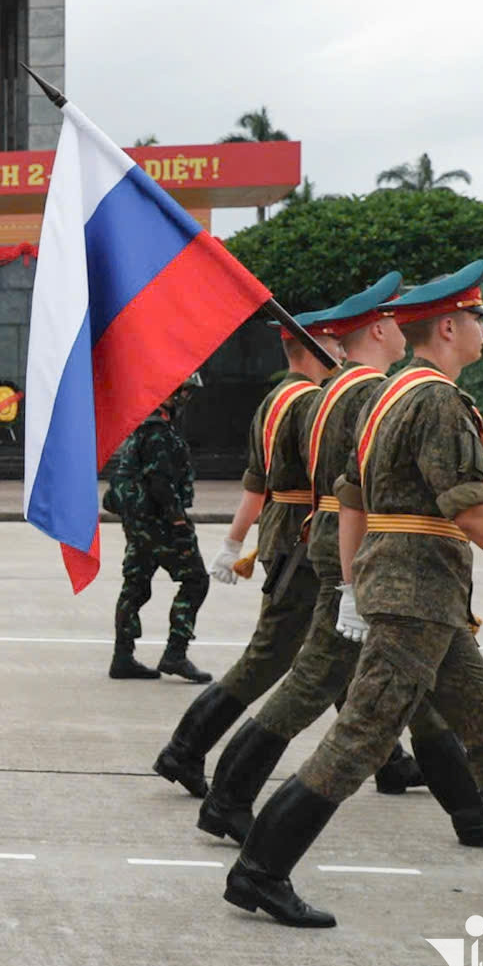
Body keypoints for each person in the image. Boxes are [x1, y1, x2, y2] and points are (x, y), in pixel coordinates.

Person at [227, 262, 483, 930]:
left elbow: (351, 497)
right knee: (362, 736)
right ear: (448, 327)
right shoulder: (438, 401)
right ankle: (259, 870)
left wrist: (354, 585)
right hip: (416, 596)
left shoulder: (388, 394)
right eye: (476, 318)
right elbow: (470, 508)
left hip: (420, 596)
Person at [198, 275, 483, 847]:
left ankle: (474, 811)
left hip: (342, 541)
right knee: (316, 682)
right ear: (377, 330)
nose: (401, 328)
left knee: (416, 686)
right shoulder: (365, 392)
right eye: (391, 320)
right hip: (361, 547)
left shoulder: (336, 389)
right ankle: (229, 799)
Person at [153, 296, 355, 795]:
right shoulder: (308, 403)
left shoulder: (276, 399)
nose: (342, 352)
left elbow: (256, 483)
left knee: (335, 646)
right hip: (303, 537)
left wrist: (234, 541)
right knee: (273, 656)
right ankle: (185, 749)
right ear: (313, 346)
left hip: (286, 531)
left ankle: (391, 759)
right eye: (335, 343)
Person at [107, 375, 211, 681]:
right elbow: (160, 482)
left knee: (135, 586)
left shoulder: (144, 425)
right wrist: (178, 521)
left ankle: (122, 657)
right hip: (159, 523)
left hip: (139, 522)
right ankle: (175, 653)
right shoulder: (157, 432)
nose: (186, 399)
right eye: (184, 392)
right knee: (196, 580)